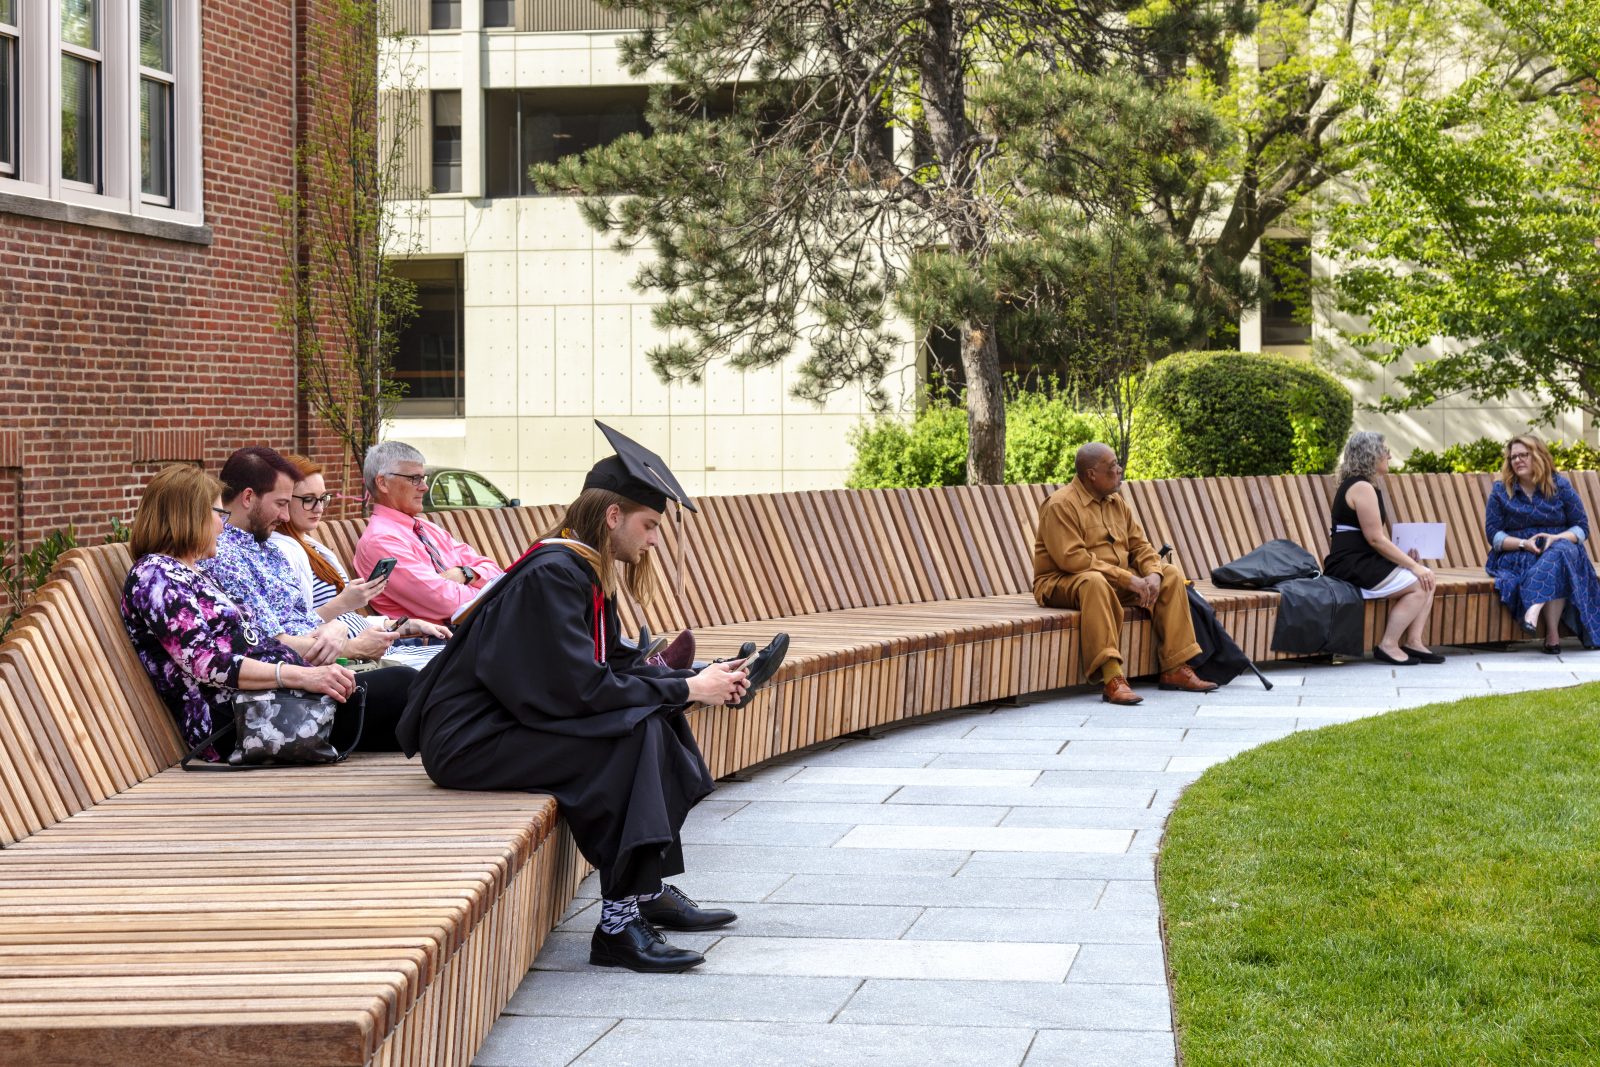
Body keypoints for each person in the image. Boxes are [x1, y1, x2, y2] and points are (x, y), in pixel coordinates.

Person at [395, 430, 782, 973]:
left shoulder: (580, 569)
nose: (654, 541)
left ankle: (645, 891)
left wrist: (701, 676)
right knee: (628, 738)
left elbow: (609, 665)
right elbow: (578, 691)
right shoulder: (553, 574)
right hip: (471, 741)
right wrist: (687, 689)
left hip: (510, 724)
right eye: (649, 525)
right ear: (613, 516)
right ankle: (619, 926)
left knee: (652, 719)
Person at [201, 446, 441, 749]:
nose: (286, 515)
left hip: (319, 681)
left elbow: (304, 621)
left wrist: (336, 629)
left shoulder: (269, 549)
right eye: (281, 503)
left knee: (432, 688)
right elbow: (268, 645)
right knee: (407, 685)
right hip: (281, 702)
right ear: (248, 497)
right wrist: (343, 643)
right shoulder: (224, 557)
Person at [120, 463, 361, 759]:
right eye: (219, 515)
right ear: (190, 516)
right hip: (246, 723)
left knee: (397, 689)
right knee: (398, 689)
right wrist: (300, 676)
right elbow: (206, 662)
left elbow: (251, 638)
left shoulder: (191, 572)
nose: (222, 526)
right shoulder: (156, 576)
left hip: (279, 703)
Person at [1032, 442, 1218, 705]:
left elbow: (1140, 545)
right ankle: (1112, 678)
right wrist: (1128, 579)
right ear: (1091, 474)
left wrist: (1153, 573)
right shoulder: (1061, 505)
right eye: (1112, 466)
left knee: (1170, 574)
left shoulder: (1116, 502)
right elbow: (1073, 559)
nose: (1119, 470)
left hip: (1113, 581)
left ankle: (1176, 667)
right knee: (1095, 582)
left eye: (1117, 465)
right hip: (1061, 582)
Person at [1321, 431, 1441, 665]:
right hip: (1351, 565)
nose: (1389, 456)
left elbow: (1371, 539)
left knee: (1427, 577)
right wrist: (1413, 566)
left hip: (1360, 561)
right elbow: (1375, 539)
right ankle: (1388, 644)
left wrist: (1406, 559)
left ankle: (1414, 642)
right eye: (1385, 451)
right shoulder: (1361, 487)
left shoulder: (1362, 486)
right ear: (1370, 454)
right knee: (1420, 583)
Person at [353, 441, 504, 625]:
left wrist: (465, 573)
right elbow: (448, 603)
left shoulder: (426, 528)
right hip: (441, 638)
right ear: (383, 483)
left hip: (477, 626)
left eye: (423, 478)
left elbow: (496, 573)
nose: (424, 487)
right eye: (414, 478)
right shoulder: (382, 541)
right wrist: (492, 592)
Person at [1484, 434, 1600, 653]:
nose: (1517, 460)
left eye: (1523, 455)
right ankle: (1552, 634)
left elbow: (1581, 528)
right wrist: (1523, 543)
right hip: (1519, 553)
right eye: (1513, 457)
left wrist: (1556, 538)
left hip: (1560, 546)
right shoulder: (1501, 490)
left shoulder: (1559, 486)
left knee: (1560, 552)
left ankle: (1534, 609)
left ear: (1538, 456)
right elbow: (1494, 535)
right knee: (1558, 562)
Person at [270, 453, 395, 637]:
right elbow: (292, 630)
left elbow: (347, 618)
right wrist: (344, 602)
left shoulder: (311, 546)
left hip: (374, 642)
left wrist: (398, 625)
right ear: (284, 500)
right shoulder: (279, 552)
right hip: (350, 652)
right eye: (308, 499)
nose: (319, 508)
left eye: (322, 498)